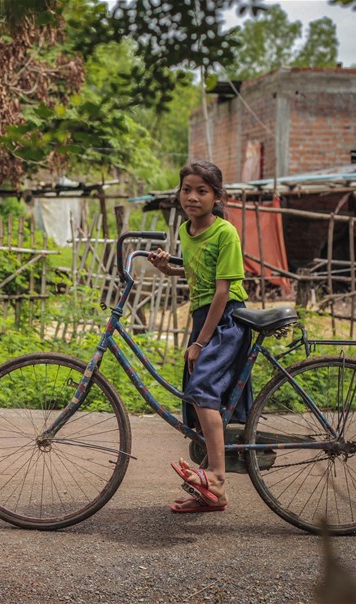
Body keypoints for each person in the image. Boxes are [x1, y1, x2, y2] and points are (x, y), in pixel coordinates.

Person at [147, 160, 251, 513]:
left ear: (217, 196)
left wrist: (200, 342)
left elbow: (222, 292)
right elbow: (196, 275)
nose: (192, 197)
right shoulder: (188, 231)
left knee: (202, 390)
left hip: (226, 321)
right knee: (197, 400)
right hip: (204, 318)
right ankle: (210, 495)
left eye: (201, 191)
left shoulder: (225, 233)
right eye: (186, 189)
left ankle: (217, 477)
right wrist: (168, 268)